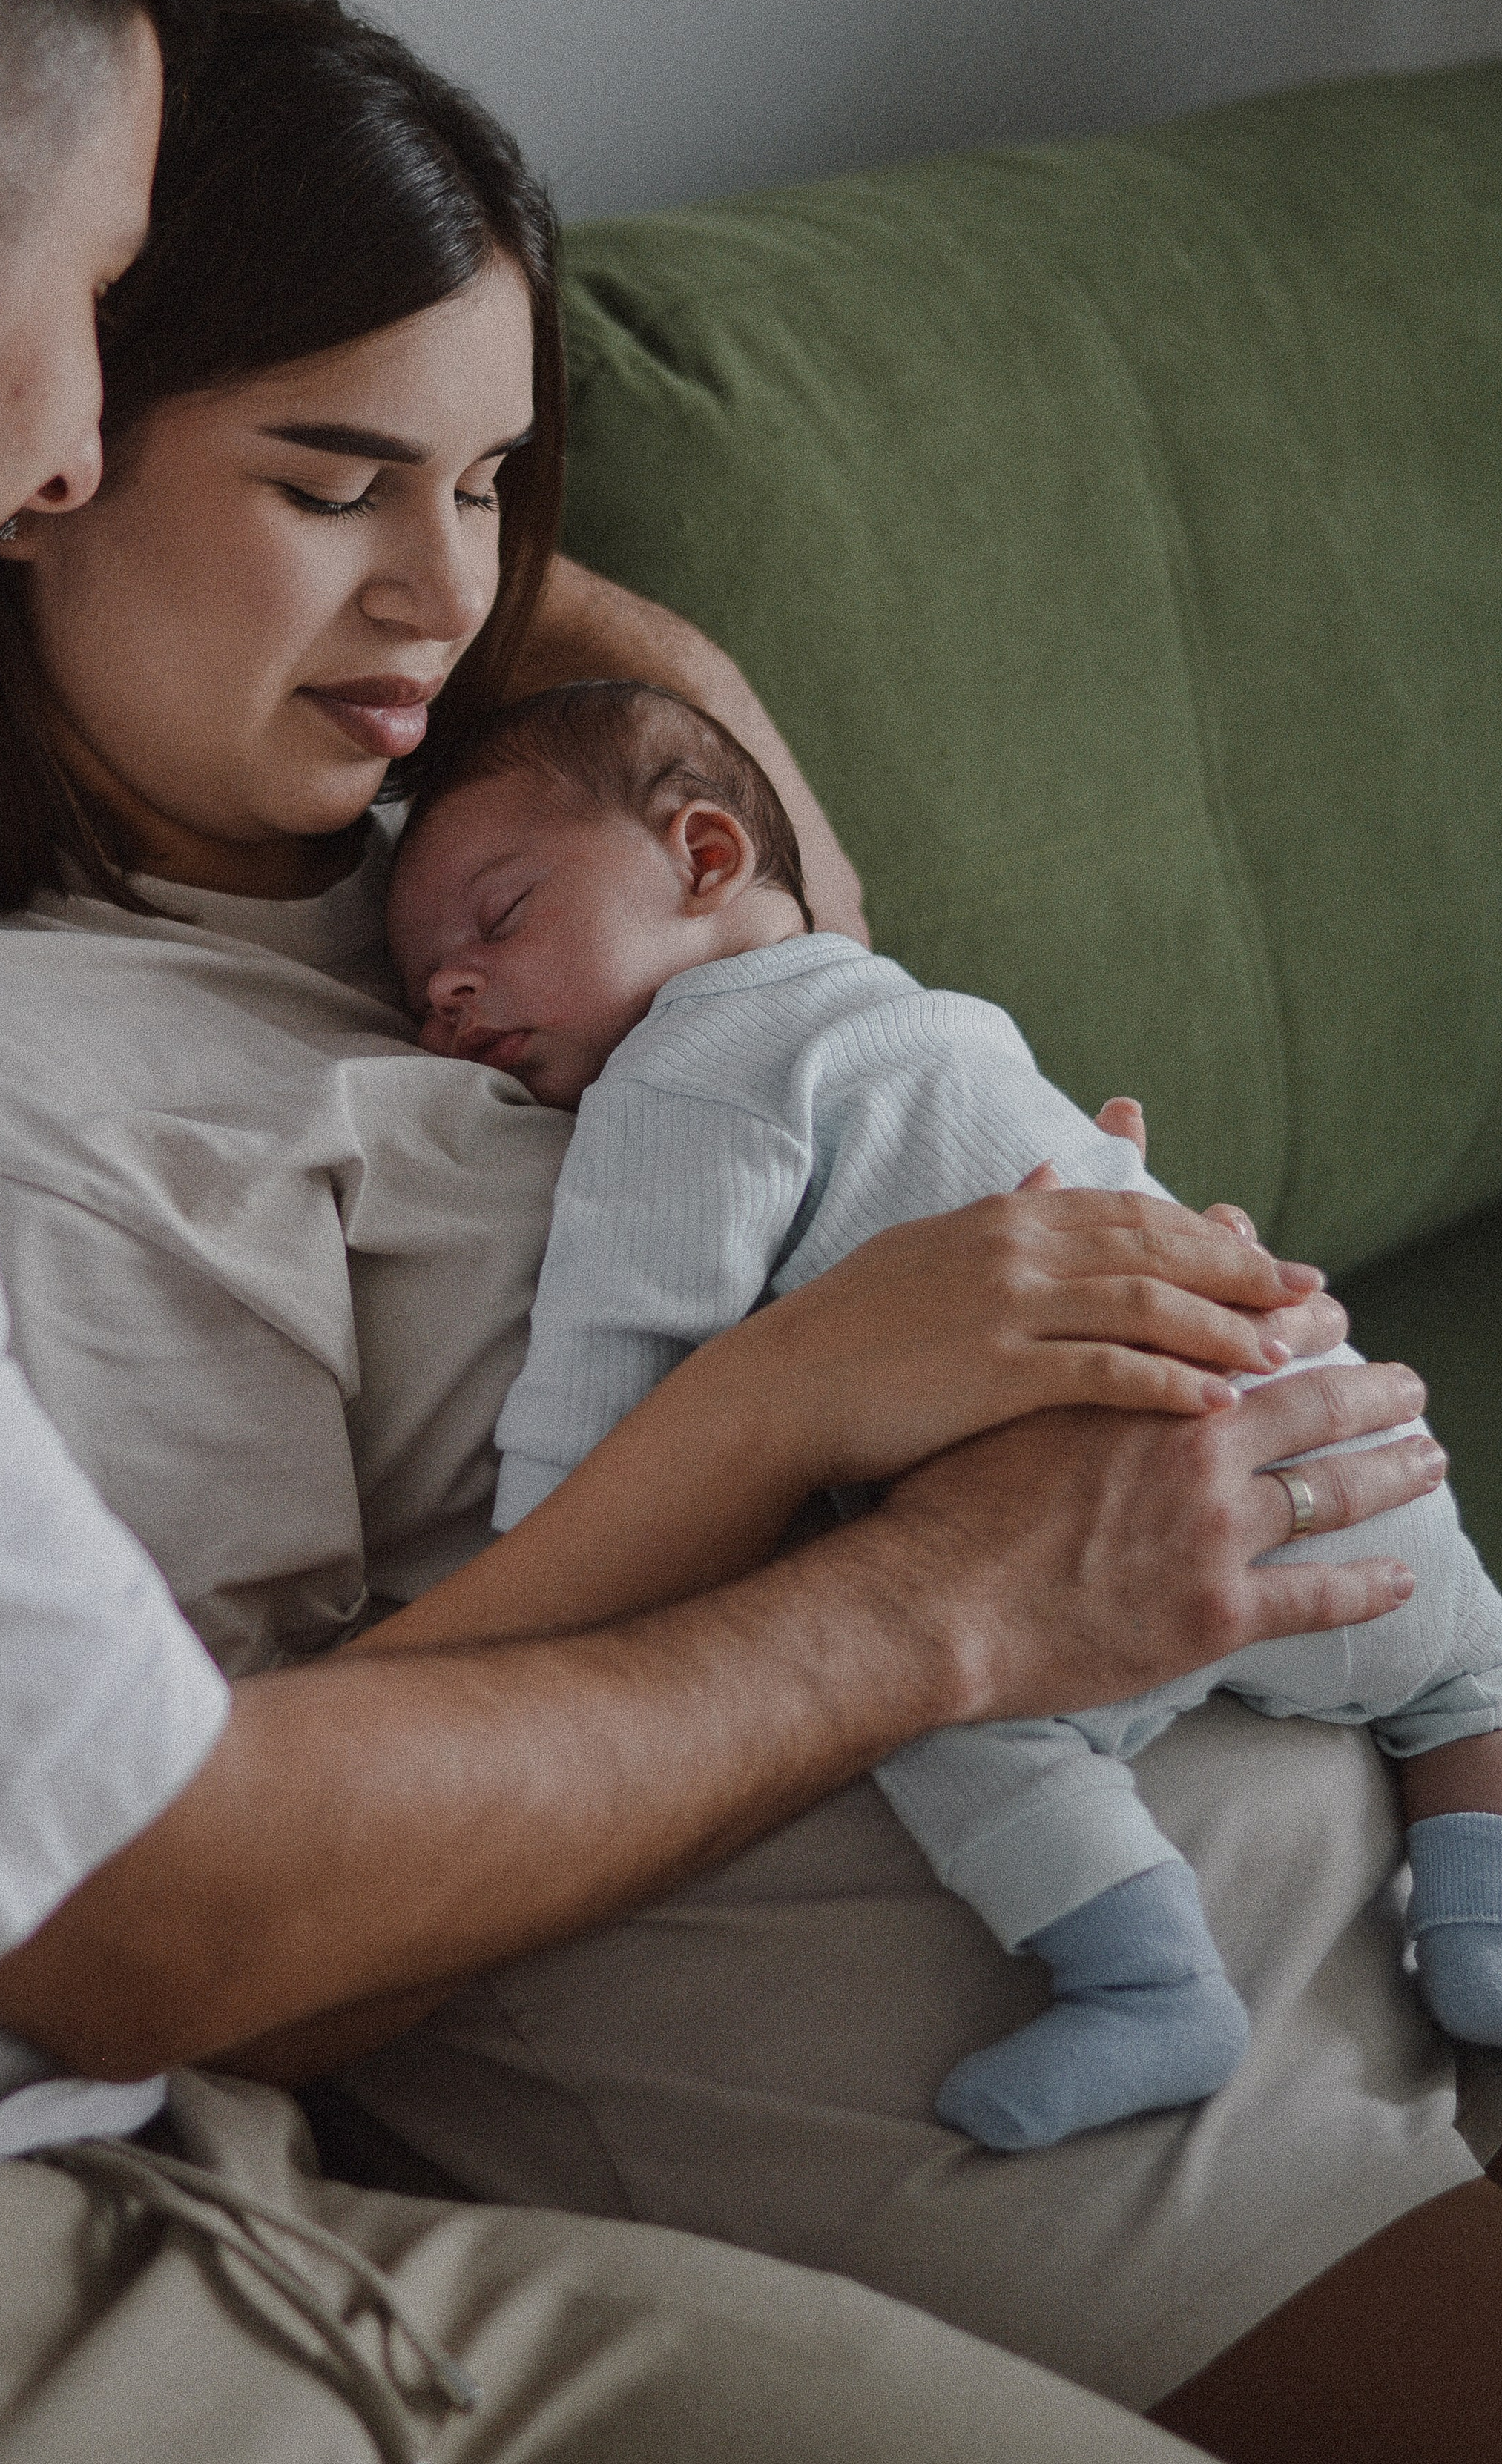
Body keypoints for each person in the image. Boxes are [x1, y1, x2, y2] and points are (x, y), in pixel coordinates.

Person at [0, 0, 1423, 2464]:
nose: (57, 454)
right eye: (103, 336)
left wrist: (477, 570)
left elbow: (753, 885)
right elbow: (175, 1914)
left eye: (487, 486)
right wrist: (914, 1544)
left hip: (1314, 1788)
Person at [378, 676, 1502, 2155]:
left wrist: (525, 1558)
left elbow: (610, 1373)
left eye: (498, 918)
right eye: (422, 992)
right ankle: (1481, 1935)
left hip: (1124, 1545)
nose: (452, 993)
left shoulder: (678, 1078)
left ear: (704, 856)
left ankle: (1149, 1985)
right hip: (1332, 1449)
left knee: (931, 1703)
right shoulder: (932, 1015)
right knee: (1468, 1669)